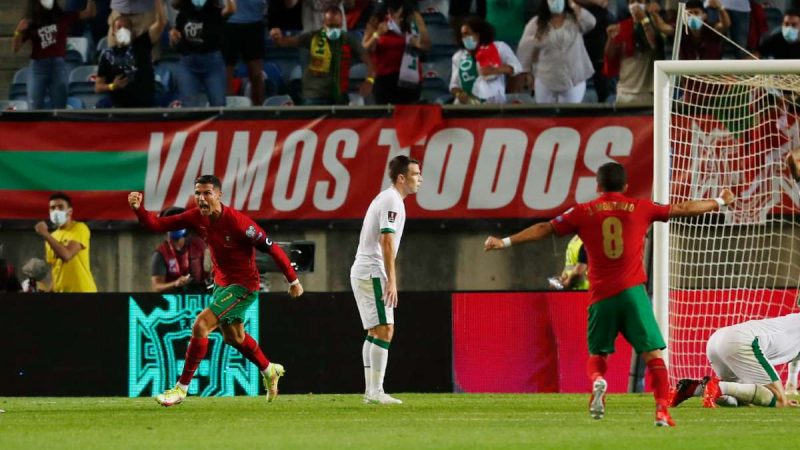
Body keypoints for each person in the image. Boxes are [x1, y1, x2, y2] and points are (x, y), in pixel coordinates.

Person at [484, 162, 735, 427]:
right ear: (625, 186)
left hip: (602, 295)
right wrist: (720, 200)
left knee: (598, 355)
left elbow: (545, 228)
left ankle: (599, 384)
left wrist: (505, 241)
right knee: (653, 356)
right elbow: (683, 209)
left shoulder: (582, 212)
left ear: (598, 186)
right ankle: (662, 411)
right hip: (633, 295)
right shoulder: (641, 207)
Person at [128, 174, 304, 406]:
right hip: (222, 283)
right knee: (234, 337)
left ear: (219, 195)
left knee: (200, 326)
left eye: (207, 193)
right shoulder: (195, 217)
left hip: (243, 285)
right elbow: (157, 224)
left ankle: (181, 390)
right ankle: (269, 369)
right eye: (198, 193)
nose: (201, 198)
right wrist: (139, 209)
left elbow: (271, 248)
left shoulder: (239, 223)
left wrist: (293, 281)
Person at [351, 155, 422, 405]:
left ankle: (371, 392)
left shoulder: (389, 198)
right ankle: (376, 391)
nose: (419, 179)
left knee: (375, 331)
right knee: (385, 330)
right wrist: (392, 280)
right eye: (415, 174)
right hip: (372, 269)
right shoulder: (392, 200)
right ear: (401, 178)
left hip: (364, 269)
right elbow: (387, 240)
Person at [669, 314, 800, 408]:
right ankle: (719, 386)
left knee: (741, 401)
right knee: (779, 400)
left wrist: (791, 384)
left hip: (717, 339)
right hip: (743, 341)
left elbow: (796, 357)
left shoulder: (793, 320)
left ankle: (693, 388)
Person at [270, 6, 375, 105]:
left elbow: (370, 61)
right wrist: (277, 37)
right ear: (323, 23)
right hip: (313, 97)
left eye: (337, 26)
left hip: (338, 96)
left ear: (341, 23)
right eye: (330, 26)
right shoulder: (312, 37)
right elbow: (285, 42)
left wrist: (369, 81)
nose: (333, 30)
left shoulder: (349, 40)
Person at [12, 0, 97, 110]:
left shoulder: (63, 16)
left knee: (59, 107)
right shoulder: (31, 21)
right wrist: (18, 32)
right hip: (38, 67)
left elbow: (89, 13)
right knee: (34, 107)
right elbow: (15, 48)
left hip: (58, 65)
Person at [516, 0, 595, 104]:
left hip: (574, 78)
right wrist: (527, 73)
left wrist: (573, 4)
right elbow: (524, 49)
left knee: (568, 117)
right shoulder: (536, 23)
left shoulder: (575, 19)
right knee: (546, 117)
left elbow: (591, 22)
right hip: (545, 79)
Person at [95, 0, 167, 107]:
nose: (122, 30)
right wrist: (112, 86)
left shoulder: (143, 43)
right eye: (119, 27)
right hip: (119, 107)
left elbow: (161, 22)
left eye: (126, 28)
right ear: (113, 32)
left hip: (144, 104)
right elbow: (98, 86)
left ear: (133, 32)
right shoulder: (107, 55)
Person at [602, 0, 671, 105]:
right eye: (631, 2)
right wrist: (610, 39)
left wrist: (644, 20)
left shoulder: (656, 25)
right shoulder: (621, 27)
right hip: (624, 91)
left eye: (639, 1)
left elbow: (654, 45)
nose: (634, 5)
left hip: (647, 93)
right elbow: (610, 56)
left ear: (647, 4)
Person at [362, 0, 431, 104]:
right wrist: (377, 34)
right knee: (387, 118)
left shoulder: (412, 18)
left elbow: (426, 45)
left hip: (409, 79)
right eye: (400, 14)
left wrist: (417, 36)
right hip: (384, 80)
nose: (402, 17)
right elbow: (365, 49)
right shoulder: (377, 20)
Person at [170, 0, 236, 107]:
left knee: (218, 105)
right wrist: (173, 36)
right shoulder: (183, 13)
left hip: (213, 65)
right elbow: (176, 37)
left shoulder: (216, 11)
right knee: (188, 106)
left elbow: (231, 9)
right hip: (188, 65)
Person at [450, 16, 523, 104]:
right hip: (468, 107)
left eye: (468, 34)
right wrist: (459, 94)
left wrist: (496, 70)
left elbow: (517, 68)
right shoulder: (459, 56)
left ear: (478, 34)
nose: (465, 38)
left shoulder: (499, 47)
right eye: (462, 35)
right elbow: (453, 85)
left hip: (495, 106)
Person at [35, 192, 98, 293]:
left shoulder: (79, 228)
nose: (56, 210)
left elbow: (66, 255)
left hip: (82, 292)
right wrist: (50, 290)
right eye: (52, 208)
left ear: (70, 211)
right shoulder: (52, 237)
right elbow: (57, 269)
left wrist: (45, 234)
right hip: (61, 294)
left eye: (60, 207)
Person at [150, 207, 210, 293]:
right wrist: (175, 283)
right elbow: (156, 287)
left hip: (199, 299)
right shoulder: (160, 253)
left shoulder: (200, 246)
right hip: (173, 300)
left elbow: (211, 274)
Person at [223, 0, 267, 106]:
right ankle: (228, 113)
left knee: (256, 74)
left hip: (254, 22)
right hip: (228, 23)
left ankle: (259, 112)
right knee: (226, 73)